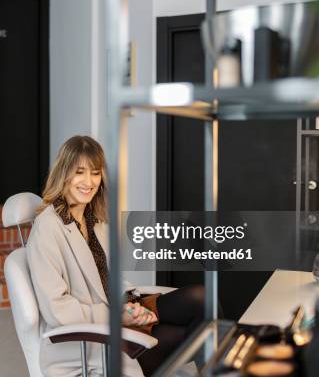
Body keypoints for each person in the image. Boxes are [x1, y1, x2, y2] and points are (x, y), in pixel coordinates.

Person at [26, 135, 204, 376]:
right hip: (93, 342)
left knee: (204, 300)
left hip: (121, 314)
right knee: (195, 335)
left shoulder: (94, 220)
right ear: (64, 173)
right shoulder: (47, 227)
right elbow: (57, 309)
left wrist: (131, 305)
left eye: (95, 173)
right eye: (80, 172)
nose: (89, 182)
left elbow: (109, 279)